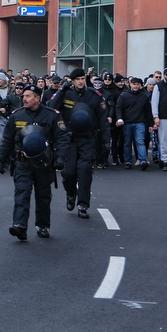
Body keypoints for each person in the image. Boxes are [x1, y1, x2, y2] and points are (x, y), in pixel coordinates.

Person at [0, 85, 69, 241]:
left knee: (43, 195)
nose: (24, 98)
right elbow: (8, 139)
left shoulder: (52, 115)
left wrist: (60, 159)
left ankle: (42, 225)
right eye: (24, 96)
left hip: (44, 163)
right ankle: (20, 225)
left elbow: (62, 138)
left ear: (37, 98)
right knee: (22, 192)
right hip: (22, 162)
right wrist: (1, 159)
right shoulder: (17, 115)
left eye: (28, 96)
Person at [46, 68, 109, 219]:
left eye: (83, 78)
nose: (81, 82)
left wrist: (106, 139)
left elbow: (103, 119)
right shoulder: (66, 93)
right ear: (72, 81)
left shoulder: (94, 95)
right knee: (68, 173)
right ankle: (70, 193)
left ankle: (83, 204)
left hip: (87, 138)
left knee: (84, 170)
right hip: (69, 138)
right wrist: (62, 90)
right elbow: (51, 107)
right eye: (77, 79)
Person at [115, 77, 153, 170]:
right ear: (130, 84)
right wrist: (119, 118)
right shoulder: (124, 95)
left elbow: (148, 111)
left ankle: (143, 160)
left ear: (140, 85)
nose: (136, 86)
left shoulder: (144, 96)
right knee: (127, 142)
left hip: (140, 122)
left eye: (137, 84)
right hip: (127, 123)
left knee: (140, 141)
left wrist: (151, 124)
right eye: (134, 84)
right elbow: (118, 107)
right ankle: (128, 161)